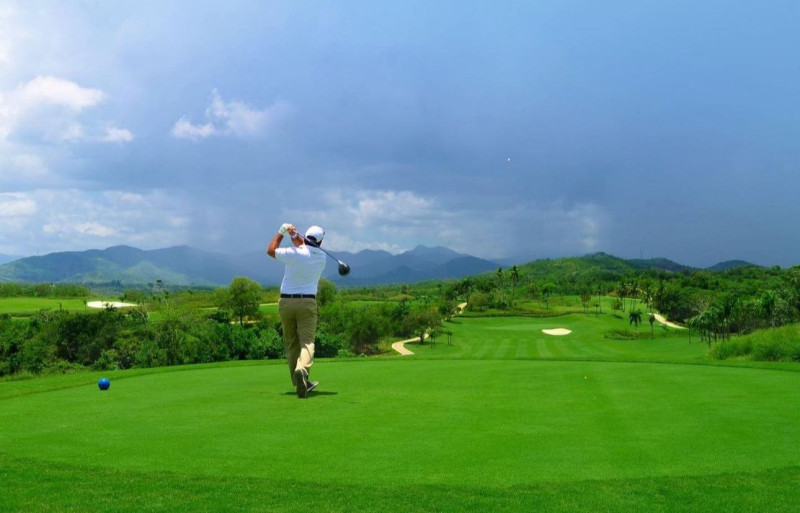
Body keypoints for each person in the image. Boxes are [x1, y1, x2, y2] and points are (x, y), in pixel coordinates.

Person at [267, 223, 327, 398]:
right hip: (307, 303)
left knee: (291, 343)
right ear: (320, 242)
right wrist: (294, 236)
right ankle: (302, 370)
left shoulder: (294, 253)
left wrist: (281, 232)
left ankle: (299, 381)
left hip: (286, 303)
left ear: (306, 237)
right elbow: (305, 247)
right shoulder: (321, 257)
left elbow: (271, 250)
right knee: (307, 342)